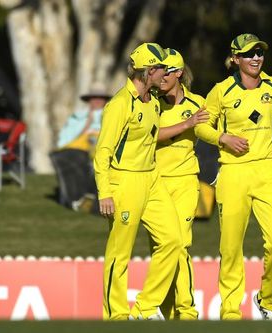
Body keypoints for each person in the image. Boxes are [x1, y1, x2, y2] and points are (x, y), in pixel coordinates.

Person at [195, 33, 272, 320]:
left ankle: (268, 301)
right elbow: (201, 127)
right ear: (235, 58)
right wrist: (223, 138)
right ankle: (230, 311)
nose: (256, 58)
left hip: (268, 171)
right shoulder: (221, 91)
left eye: (260, 53)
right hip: (234, 173)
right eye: (249, 54)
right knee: (230, 246)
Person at [94, 42, 182, 320]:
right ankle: (116, 316)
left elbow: (151, 138)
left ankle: (145, 309)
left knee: (173, 240)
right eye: (161, 70)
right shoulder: (120, 104)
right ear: (148, 71)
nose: (165, 74)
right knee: (120, 253)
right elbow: (103, 152)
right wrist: (104, 192)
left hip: (152, 179)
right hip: (124, 182)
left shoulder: (154, 101)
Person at [155, 48, 208, 320]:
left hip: (186, 180)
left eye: (166, 71)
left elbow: (211, 131)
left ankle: (186, 311)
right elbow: (150, 136)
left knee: (181, 243)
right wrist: (186, 124)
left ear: (177, 74)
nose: (160, 76)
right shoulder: (149, 103)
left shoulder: (198, 102)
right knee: (163, 247)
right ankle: (165, 309)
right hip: (155, 183)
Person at [51, 83, 111, 212]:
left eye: (100, 98)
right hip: (76, 149)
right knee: (68, 157)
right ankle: (77, 197)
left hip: (99, 149)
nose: (97, 101)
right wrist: (87, 123)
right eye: (94, 98)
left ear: (105, 100)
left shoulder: (110, 115)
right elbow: (65, 140)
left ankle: (86, 197)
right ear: (89, 100)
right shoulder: (78, 117)